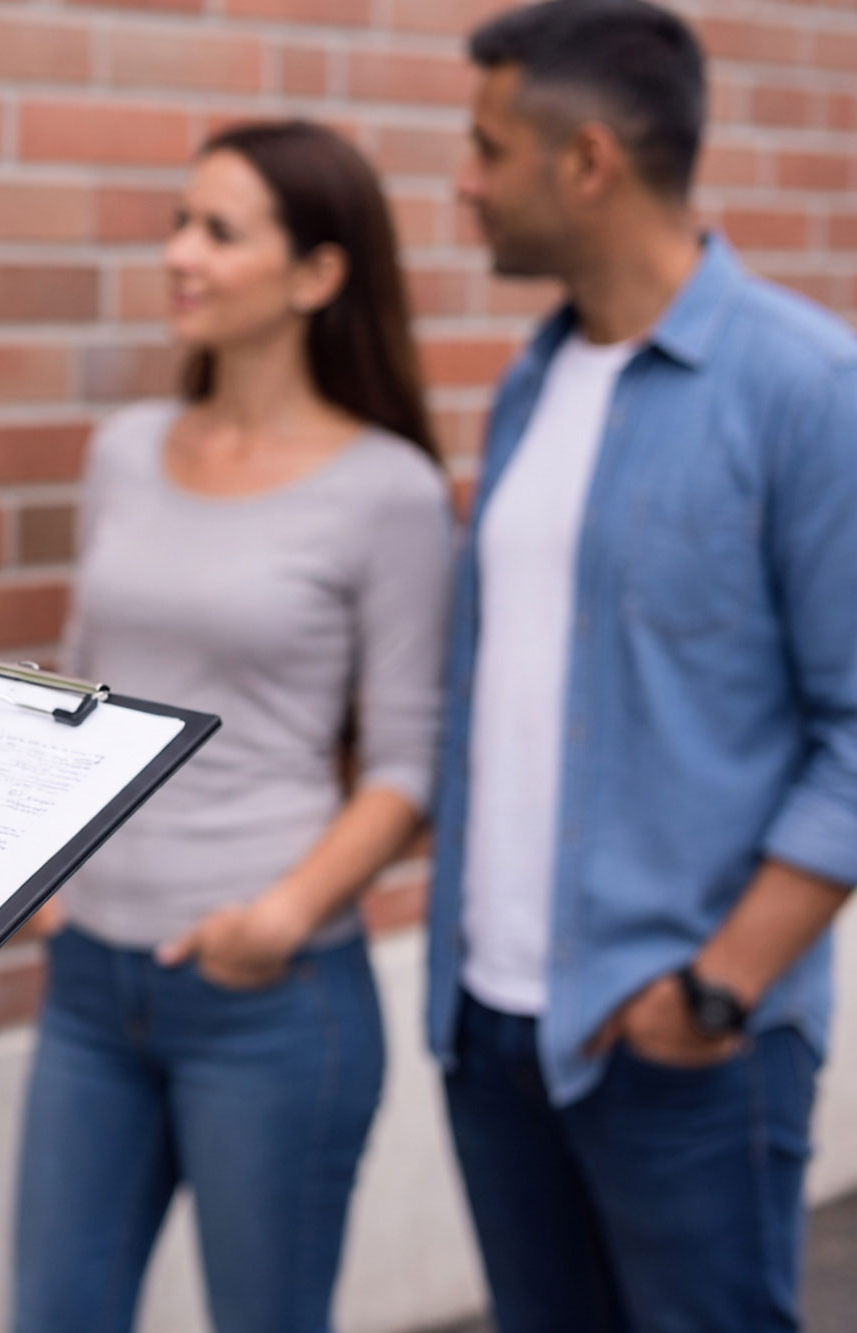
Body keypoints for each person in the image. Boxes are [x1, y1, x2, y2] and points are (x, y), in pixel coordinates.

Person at [428, 3, 857, 1328]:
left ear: (589, 162)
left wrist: (718, 987)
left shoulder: (807, 388)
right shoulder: (531, 382)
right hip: (493, 1026)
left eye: (488, 148)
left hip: (683, 1041)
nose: (465, 181)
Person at [11, 120, 452, 1333]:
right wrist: (46, 873)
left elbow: (408, 760)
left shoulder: (387, 491)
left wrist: (279, 919)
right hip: (93, 982)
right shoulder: (124, 453)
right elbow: (84, 693)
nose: (178, 254)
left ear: (315, 274)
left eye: (217, 230)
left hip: (268, 994)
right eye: (176, 222)